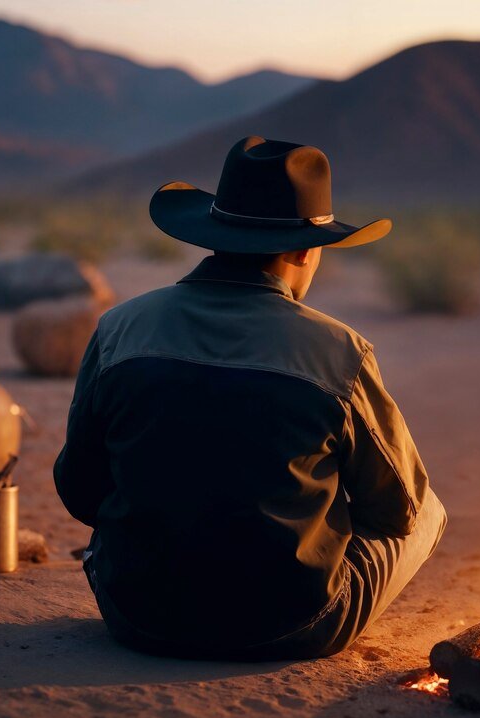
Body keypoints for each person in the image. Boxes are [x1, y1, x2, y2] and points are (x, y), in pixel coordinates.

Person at [54, 136, 446, 660]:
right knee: (428, 509)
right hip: (293, 624)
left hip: (137, 615)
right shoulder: (339, 353)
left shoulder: (120, 329)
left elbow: (80, 490)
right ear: (308, 248)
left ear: (215, 233)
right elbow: (399, 510)